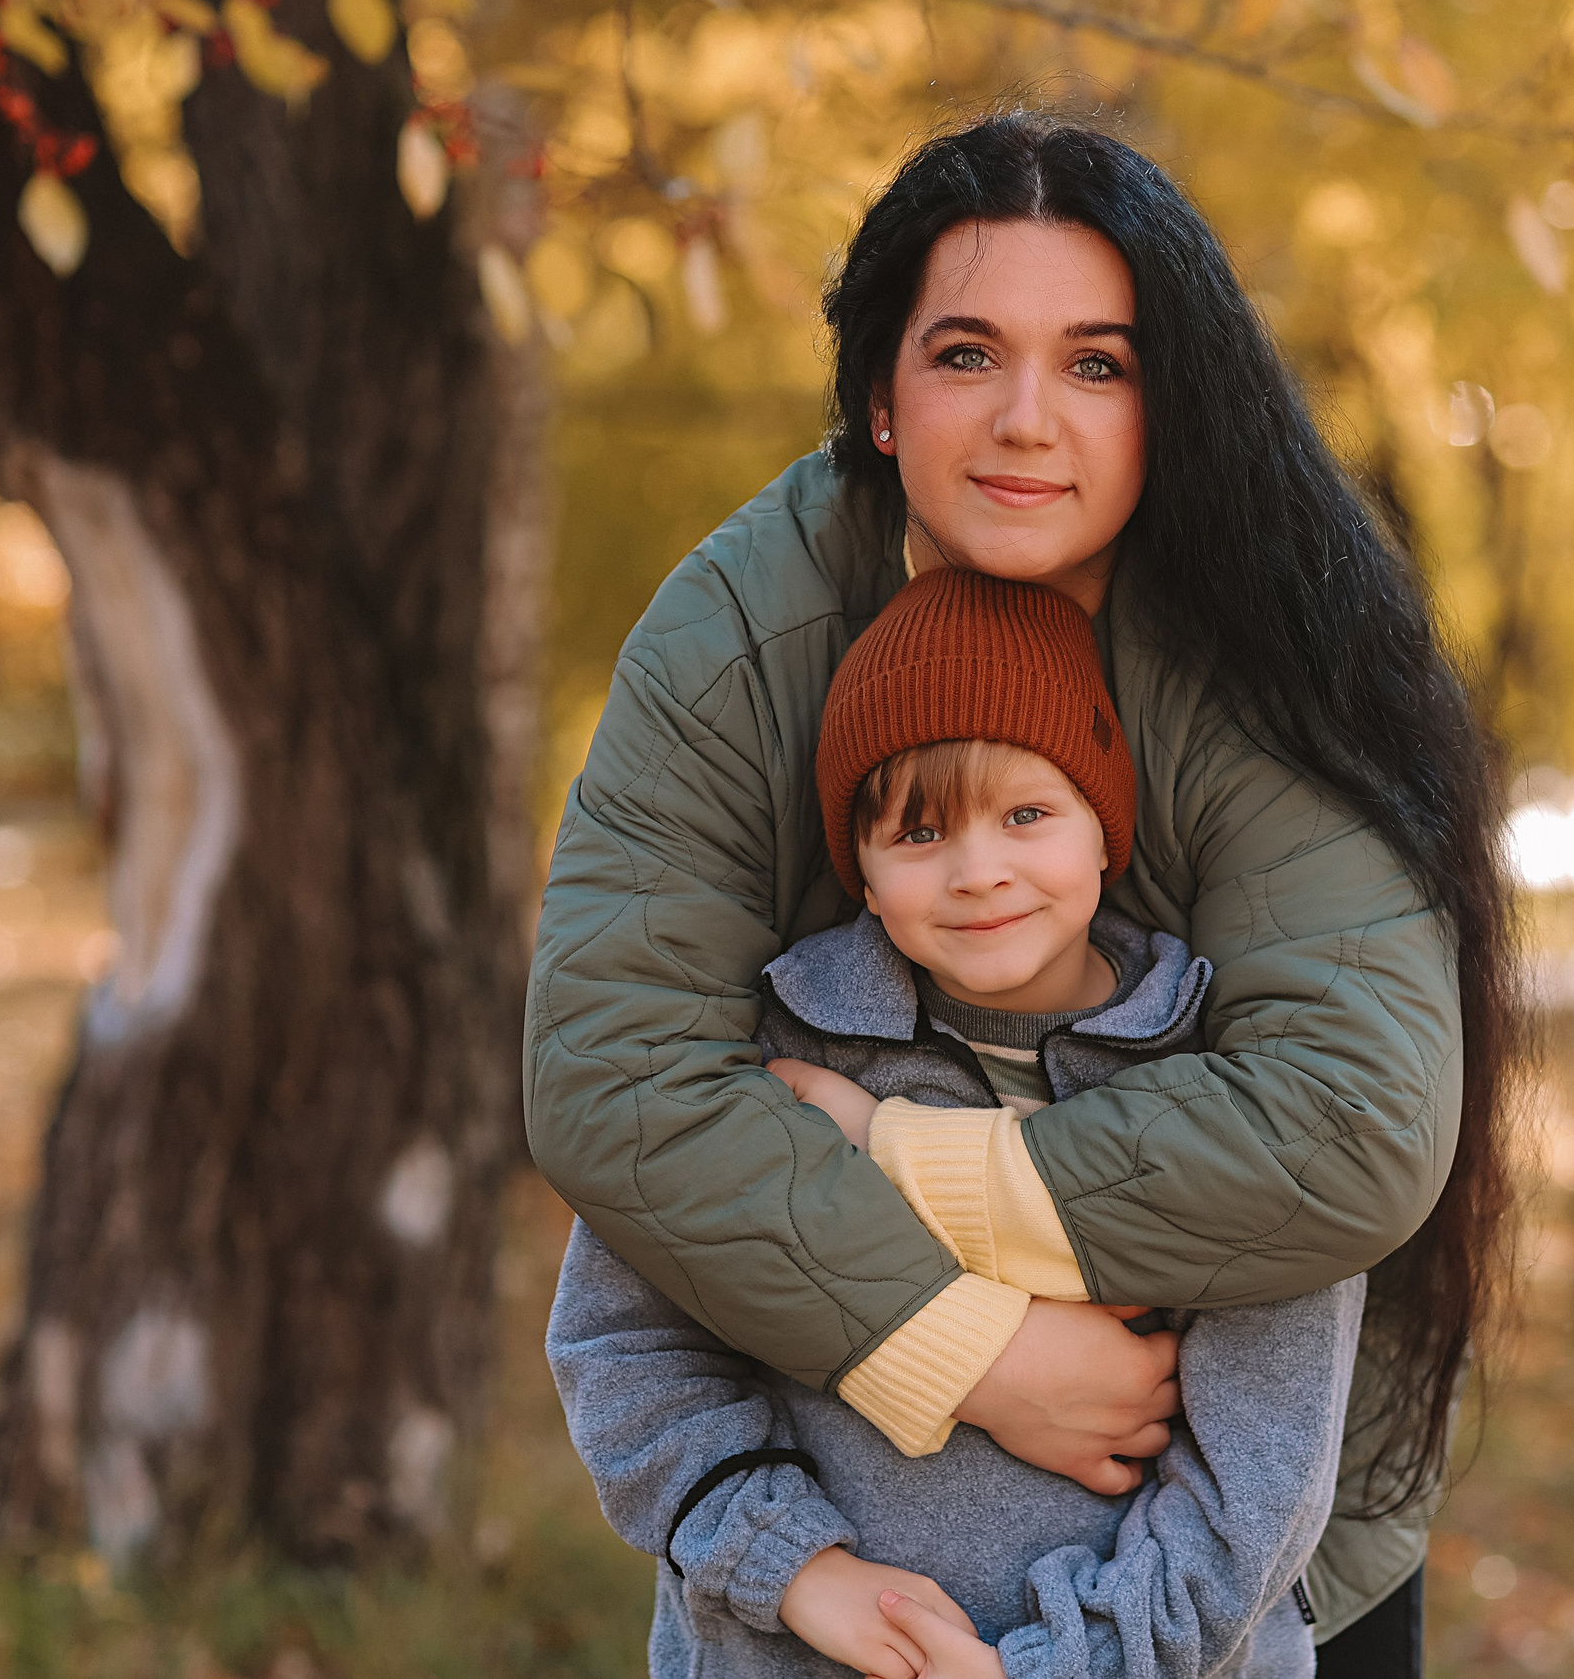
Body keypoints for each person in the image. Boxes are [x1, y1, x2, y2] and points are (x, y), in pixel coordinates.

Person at [526, 108, 1521, 1673]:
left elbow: (1353, 1126)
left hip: (1254, 1556)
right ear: (877, 394)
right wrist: (967, 1348)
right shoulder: (740, 634)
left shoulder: (1269, 649)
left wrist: (905, 1158)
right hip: (836, 1598)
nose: (1027, 423)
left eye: (1098, 362)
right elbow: (615, 1080)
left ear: (1167, 401)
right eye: (968, 354)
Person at [549, 567, 1366, 1678]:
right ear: (864, 875)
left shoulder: (1223, 1083)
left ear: (1101, 832)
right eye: (920, 831)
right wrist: (794, 1569)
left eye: (1028, 814)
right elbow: (625, 1347)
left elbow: (1258, 1476)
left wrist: (1051, 1668)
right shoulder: (770, 1061)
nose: (980, 872)